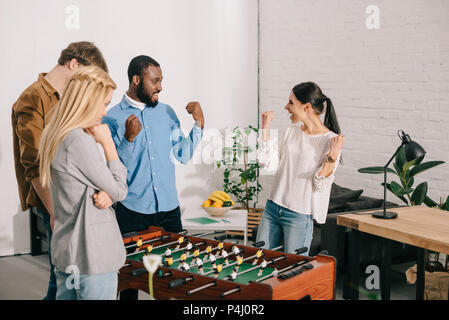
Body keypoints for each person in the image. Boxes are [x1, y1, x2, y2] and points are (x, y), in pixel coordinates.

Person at [11, 41, 108, 300]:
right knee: (62, 276)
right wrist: (55, 212)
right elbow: (33, 163)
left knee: (66, 276)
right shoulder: (32, 98)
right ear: (73, 64)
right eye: (86, 77)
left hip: (72, 201)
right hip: (54, 202)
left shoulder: (67, 99)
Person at [38, 66, 128, 300]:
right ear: (87, 100)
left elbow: (82, 184)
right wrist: (108, 143)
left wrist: (106, 193)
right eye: (104, 103)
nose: (105, 111)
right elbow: (119, 189)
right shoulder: (79, 140)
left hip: (67, 255)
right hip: (93, 258)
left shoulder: (54, 133)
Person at [103, 55, 205, 234]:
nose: (160, 87)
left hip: (169, 208)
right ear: (136, 80)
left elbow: (183, 155)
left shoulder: (167, 113)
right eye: (155, 81)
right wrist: (128, 139)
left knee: (175, 262)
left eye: (161, 81)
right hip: (132, 211)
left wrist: (198, 124)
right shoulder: (111, 117)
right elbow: (113, 169)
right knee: (133, 263)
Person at [256, 82, 346, 255]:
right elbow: (269, 164)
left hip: (299, 215)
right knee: (259, 260)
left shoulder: (331, 140)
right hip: (272, 207)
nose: (286, 107)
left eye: (291, 102)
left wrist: (333, 155)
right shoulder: (291, 132)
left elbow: (320, 183)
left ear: (306, 107)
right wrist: (265, 128)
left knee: (293, 270)